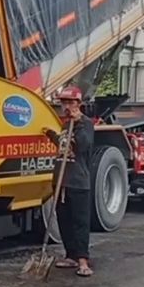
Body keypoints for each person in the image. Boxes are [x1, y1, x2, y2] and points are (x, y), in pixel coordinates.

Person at [42, 85, 95, 277]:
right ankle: (71, 255)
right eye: (64, 102)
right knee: (64, 220)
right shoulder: (65, 125)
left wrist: (77, 121)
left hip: (78, 181)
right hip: (61, 180)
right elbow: (64, 146)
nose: (67, 106)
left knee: (79, 221)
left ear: (79, 104)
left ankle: (83, 261)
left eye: (71, 102)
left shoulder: (85, 124)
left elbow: (82, 145)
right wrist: (52, 135)